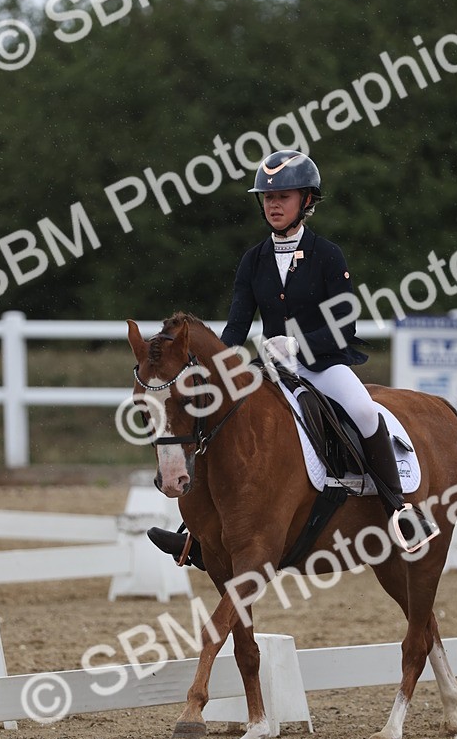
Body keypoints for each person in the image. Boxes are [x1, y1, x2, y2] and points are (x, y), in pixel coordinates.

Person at [148, 150, 439, 564]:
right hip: (273, 370)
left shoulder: (327, 255)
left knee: (362, 410)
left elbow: (344, 323)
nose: (273, 204)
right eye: (267, 197)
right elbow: (235, 325)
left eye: (283, 196)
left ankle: (399, 509)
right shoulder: (254, 260)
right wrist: (220, 362)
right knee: (221, 421)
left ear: (307, 201)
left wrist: (297, 344)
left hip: (324, 365)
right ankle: (197, 533)